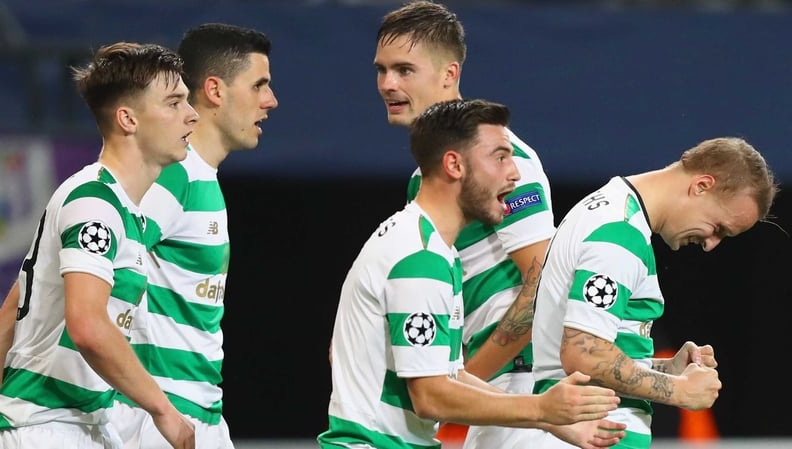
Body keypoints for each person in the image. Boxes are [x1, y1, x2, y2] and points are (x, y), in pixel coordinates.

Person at [372, 2, 614, 448]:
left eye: (405, 70)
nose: (388, 84)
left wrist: (455, 386)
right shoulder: (425, 178)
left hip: (524, 390)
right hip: (503, 401)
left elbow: (544, 284)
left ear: (449, 74)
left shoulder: (503, 161)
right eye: (382, 70)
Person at [319, 98, 625, 449]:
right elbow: (431, 397)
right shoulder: (419, 259)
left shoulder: (435, 250)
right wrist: (539, 406)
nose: (514, 172)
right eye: (499, 157)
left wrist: (553, 421)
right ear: (454, 164)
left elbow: (450, 375)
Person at [0, 42, 199, 448]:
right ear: (128, 118)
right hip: (47, 431)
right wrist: (164, 411)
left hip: (76, 427)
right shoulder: (95, 204)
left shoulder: (121, 209)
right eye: (174, 102)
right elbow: (86, 326)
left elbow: (6, 318)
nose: (191, 115)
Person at [528, 136, 777, 448]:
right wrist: (679, 390)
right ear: (701, 185)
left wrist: (665, 369)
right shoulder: (619, 233)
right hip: (585, 434)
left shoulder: (612, 212)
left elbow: (588, 349)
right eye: (718, 228)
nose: (711, 244)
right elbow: (584, 355)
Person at [108, 23, 278, 449]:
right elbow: (93, 277)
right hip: (161, 419)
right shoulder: (174, 176)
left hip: (199, 415)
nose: (270, 101)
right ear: (216, 91)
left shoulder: (199, 179)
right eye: (259, 85)